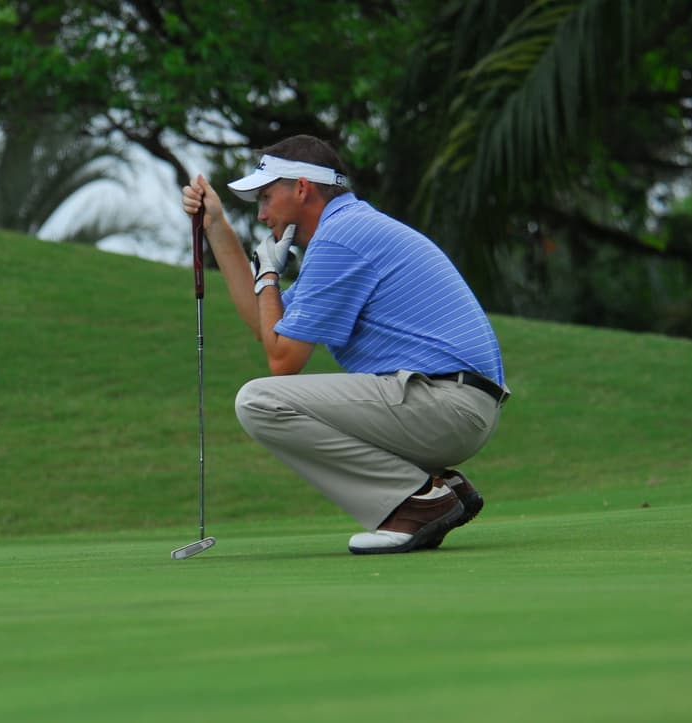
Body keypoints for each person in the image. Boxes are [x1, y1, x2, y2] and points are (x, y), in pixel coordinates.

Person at [180, 134, 510, 554]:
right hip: (458, 407)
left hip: (446, 406)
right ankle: (436, 487)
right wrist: (216, 226)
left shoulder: (339, 238)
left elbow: (283, 360)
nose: (262, 215)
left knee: (259, 402)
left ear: (302, 188)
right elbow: (267, 327)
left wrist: (269, 276)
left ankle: (416, 502)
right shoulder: (347, 230)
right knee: (266, 398)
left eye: (266, 198)